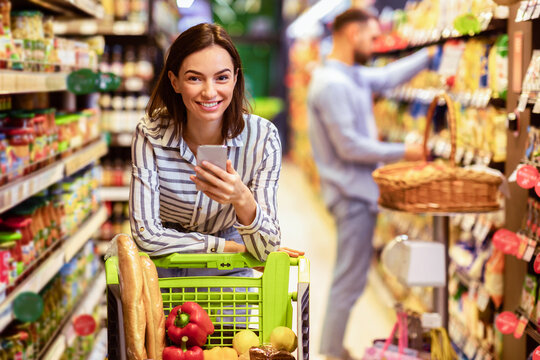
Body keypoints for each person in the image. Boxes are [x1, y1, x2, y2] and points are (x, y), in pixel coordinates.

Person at [306, 8, 436, 360]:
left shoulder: (351, 75)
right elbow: (349, 146)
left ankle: (332, 348)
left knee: (351, 278)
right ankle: (331, 352)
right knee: (348, 281)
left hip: (358, 192)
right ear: (353, 35)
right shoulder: (330, 84)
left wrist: (429, 55)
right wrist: (405, 151)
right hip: (350, 196)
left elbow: (387, 78)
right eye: (371, 37)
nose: (375, 44)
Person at [129, 23, 302, 277]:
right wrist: (229, 247)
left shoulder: (263, 138)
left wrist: (241, 197)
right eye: (194, 78)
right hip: (165, 269)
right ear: (175, 81)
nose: (209, 92)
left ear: (235, 79)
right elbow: (146, 235)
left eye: (221, 77)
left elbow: (266, 251)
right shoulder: (150, 135)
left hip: (229, 275)